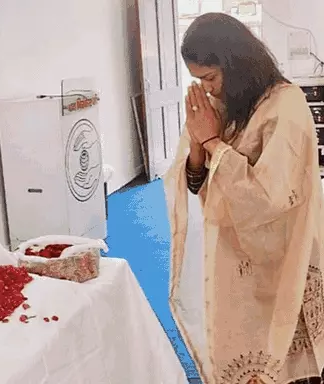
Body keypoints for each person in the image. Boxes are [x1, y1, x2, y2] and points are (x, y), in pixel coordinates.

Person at [164, 13, 324, 384]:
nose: (206, 90)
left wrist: (212, 142)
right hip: (233, 254)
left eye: (210, 78)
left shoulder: (286, 105)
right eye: (198, 81)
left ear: (235, 63)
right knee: (238, 343)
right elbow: (194, 182)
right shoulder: (224, 104)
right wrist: (199, 146)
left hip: (283, 252)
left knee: (285, 354)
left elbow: (271, 198)